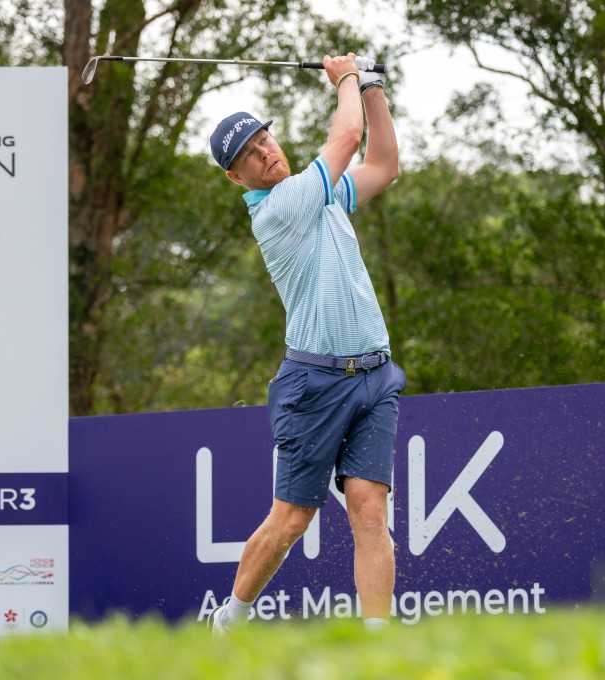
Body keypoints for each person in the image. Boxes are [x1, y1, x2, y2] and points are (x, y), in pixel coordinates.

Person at [206, 52, 405, 634]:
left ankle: (379, 648)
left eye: (264, 139)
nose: (265, 152)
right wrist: (345, 78)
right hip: (314, 383)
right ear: (236, 177)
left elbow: (384, 165)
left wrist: (371, 88)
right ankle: (231, 620)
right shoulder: (279, 210)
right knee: (292, 519)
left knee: (370, 509)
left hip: (374, 375)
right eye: (249, 154)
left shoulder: (325, 194)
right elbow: (346, 137)